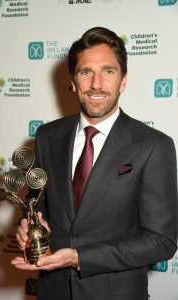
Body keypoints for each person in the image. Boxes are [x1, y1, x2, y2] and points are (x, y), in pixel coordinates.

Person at [11, 27, 178, 300]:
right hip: (53, 292)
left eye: (108, 71)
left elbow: (161, 242)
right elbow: (37, 202)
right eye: (85, 72)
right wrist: (28, 225)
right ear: (73, 82)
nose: (97, 84)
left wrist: (79, 257)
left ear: (123, 80)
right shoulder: (47, 136)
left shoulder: (153, 145)